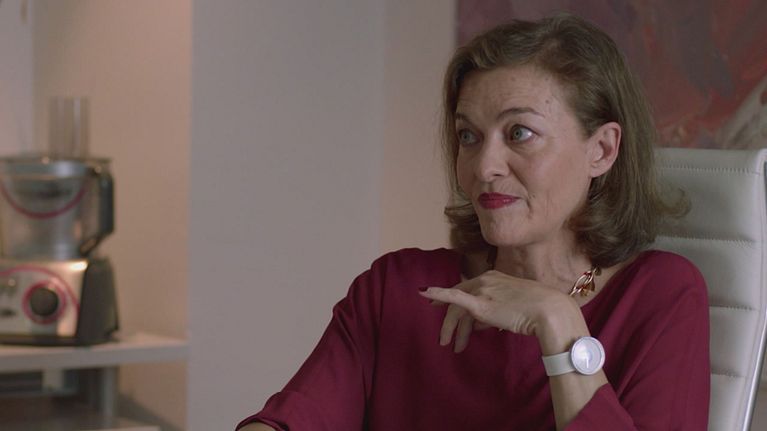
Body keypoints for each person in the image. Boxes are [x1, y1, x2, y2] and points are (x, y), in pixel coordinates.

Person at [237, 13, 709, 431]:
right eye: (468, 136)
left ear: (601, 150)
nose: (484, 167)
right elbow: (288, 420)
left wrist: (559, 322)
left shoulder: (659, 295)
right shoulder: (397, 289)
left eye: (519, 133)